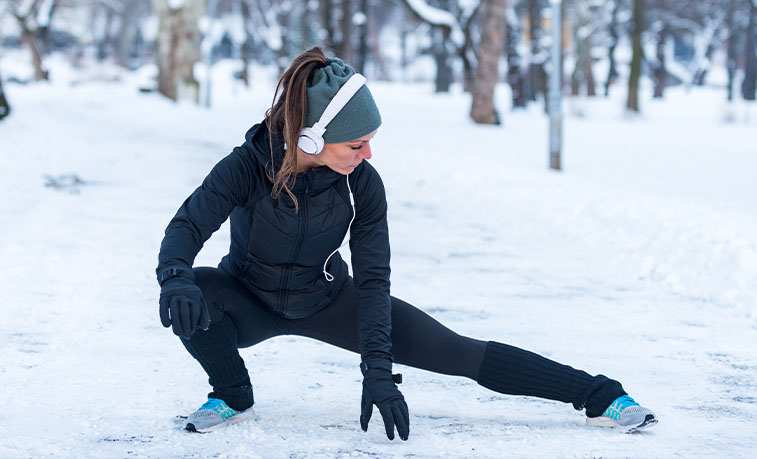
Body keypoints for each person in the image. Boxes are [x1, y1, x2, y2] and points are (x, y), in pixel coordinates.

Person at [156, 47, 657, 438]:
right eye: (356, 143)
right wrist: (175, 276)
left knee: (456, 350)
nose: (368, 152)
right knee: (192, 293)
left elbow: (373, 279)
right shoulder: (247, 166)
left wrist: (377, 369)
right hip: (247, 300)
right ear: (310, 137)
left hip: (326, 300)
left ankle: (599, 395)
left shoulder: (361, 183)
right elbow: (187, 226)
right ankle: (232, 393)